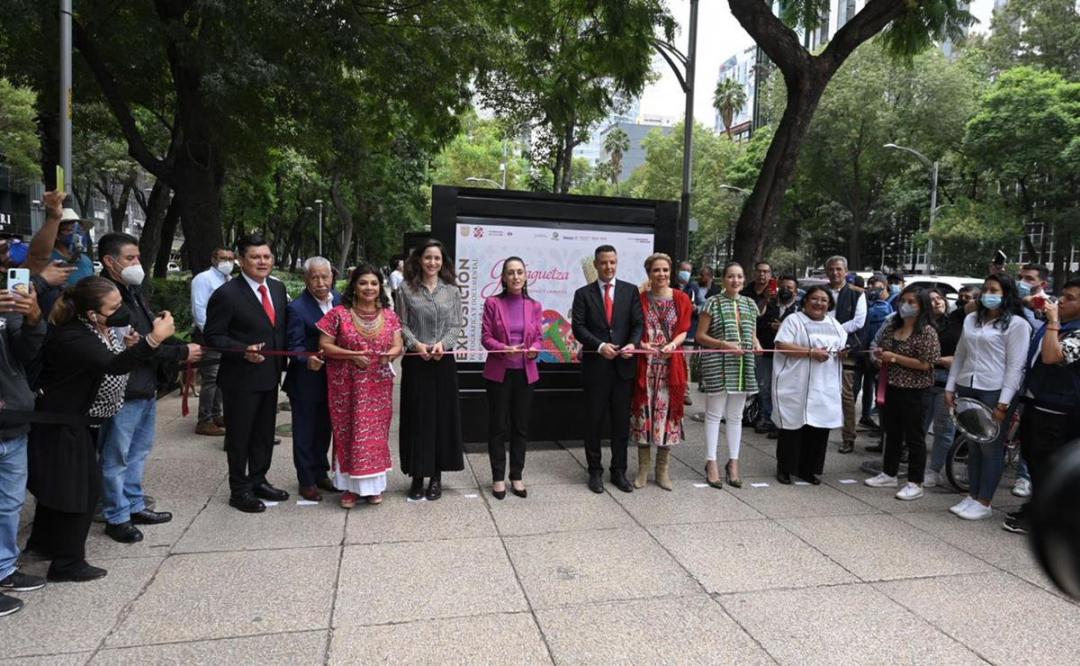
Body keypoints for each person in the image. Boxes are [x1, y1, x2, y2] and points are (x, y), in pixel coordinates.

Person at [26, 277, 175, 582]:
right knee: (79, 492)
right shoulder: (73, 337)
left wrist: (136, 345)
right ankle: (67, 562)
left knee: (62, 489)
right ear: (92, 313)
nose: (121, 311)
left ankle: (44, 545)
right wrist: (153, 340)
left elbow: (116, 357)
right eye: (114, 307)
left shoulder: (93, 330)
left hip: (76, 421)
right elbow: (113, 365)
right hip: (61, 424)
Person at [97, 233, 200, 543]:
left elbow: (152, 334)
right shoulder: (105, 297)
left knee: (138, 451)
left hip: (145, 384)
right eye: (130, 258)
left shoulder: (132, 292)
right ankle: (116, 515)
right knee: (116, 455)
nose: (137, 264)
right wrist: (181, 353)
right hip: (120, 389)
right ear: (109, 262)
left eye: (138, 257)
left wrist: (184, 346)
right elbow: (139, 345)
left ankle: (133, 503)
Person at [204, 234, 290, 513]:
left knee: (264, 433)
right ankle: (238, 489)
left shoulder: (277, 289)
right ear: (241, 260)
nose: (262, 262)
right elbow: (213, 336)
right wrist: (243, 349)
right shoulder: (227, 294)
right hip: (240, 378)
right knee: (240, 435)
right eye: (255, 257)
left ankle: (259, 479)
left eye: (266, 256)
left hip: (270, 375)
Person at [943, 274, 1030, 519]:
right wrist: (950, 387)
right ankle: (972, 495)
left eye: (994, 289)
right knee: (972, 443)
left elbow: (1015, 366)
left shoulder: (1017, 324)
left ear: (1006, 294)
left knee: (991, 448)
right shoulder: (972, 319)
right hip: (967, 385)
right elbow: (960, 355)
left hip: (995, 390)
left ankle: (985, 501)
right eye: (985, 289)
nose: (988, 294)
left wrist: (1004, 402)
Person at [318, 264, 402, 508]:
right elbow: (325, 345)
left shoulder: (389, 315)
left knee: (375, 436)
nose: (369, 288)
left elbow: (398, 345)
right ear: (353, 285)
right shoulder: (338, 314)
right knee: (349, 433)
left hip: (378, 386)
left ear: (380, 287)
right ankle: (349, 489)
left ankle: (374, 488)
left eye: (374, 283)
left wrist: (390, 354)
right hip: (346, 388)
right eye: (363, 283)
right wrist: (351, 355)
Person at [1003, 279, 1080, 535]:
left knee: (1048, 465)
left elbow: (1051, 357)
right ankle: (1039, 509)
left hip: (1059, 409)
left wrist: (1054, 322)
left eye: (1071, 298)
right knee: (1034, 459)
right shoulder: (1055, 322)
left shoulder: (1072, 330)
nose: (1062, 301)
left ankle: (1050, 519)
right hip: (1036, 402)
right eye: (1063, 295)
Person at [571, 245, 644, 494]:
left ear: (617, 262)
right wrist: (600, 345)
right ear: (596, 265)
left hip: (623, 368)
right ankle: (594, 472)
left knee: (621, 424)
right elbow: (578, 328)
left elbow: (638, 324)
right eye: (604, 263)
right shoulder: (583, 294)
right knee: (593, 422)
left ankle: (619, 471)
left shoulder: (630, 291)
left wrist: (633, 344)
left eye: (612, 262)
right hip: (596, 368)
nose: (608, 267)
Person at [396, 239, 465, 502]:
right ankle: (416, 475)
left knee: (440, 420)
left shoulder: (452, 291)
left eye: (437, 258)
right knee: (417, 418)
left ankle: (436, 475)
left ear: (443, 262)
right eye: (428, 258)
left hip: (442, 362)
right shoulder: (405, 289)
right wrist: (415, 345)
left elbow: (456, 325)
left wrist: (442, 345)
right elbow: (400, 323)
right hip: (416, 362)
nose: (432, 263)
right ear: (419, 260)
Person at [864, 286, 940, 500]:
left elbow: (926, 364)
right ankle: (889, 473)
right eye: (903, 300)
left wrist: (894, 358)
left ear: (921, 306)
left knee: (915, 437)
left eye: (911, 302)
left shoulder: (927, 331)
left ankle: (915, 482)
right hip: (891, 387)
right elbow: (880, 350)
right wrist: (880, 357)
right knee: (892, 432)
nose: (905, 305)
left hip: (915, 391)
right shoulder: (892, 326)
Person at [0, 285, 47, 616]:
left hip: (13, 419)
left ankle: (4, 569)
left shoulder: (6, 307)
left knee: (9, 504)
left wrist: (32, 318)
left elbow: (27, 353)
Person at [481, 257, 544, 499]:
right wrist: (502, 347)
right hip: (499, 373)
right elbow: (486, 337)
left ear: (526, 276)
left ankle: (516, 475)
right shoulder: (493, 303)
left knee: (521, 427)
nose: (516, 276)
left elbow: (539, 337)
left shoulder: (535, 305)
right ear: (503, 278)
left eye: (520, 272)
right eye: (511, 272)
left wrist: (535, 348)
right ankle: (498, 477)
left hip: (526, 374)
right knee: (498, 426)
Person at [772, 286, 847, 484]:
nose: (819, 303)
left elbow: (842, 347)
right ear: (805, 301)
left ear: (829, 304)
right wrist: (810, 352)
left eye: (824, 300)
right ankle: (785, 468)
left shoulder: (835, 324)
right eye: (814, 299)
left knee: (819, 428)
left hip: (824, 384)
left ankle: (808, 469)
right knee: (792, 426)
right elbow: (781, 345)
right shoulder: (793, 320)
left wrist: (843, 353)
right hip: (796, 382)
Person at [630, 253, 693, 490]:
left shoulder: (682, 298)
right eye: (656, 270)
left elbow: (685, 329)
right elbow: (634, 327)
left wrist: (673, 345)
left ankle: (662, 470)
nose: (662, 274)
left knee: (667, 417)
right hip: (646, 367)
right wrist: (642, 344)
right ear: (649, 273)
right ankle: (643, 469)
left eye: (665, 270)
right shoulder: (640, 299)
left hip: (670, 367)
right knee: (644, 416)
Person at [697, 262, 760, 489]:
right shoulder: (712, 302)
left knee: (736, 416)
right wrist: (724, 344)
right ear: (723, 280)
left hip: (743, 366)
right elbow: (701, 336)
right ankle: (711, 462)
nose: (735, 280)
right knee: (714, 415)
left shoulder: (750, 304)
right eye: (731, 276)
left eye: (740, 277)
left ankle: (733, 462)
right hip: (718, 365)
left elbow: (752, 335)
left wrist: (757, 344)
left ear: (744, 280)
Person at [284, 257, 341, 502]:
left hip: (334, 380)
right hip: (306, 380)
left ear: (332, 276)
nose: (320, 282)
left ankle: (321, 473)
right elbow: (293, 346)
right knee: (305, 432)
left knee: (324, 429)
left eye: (324, 276)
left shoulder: (341, 301)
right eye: (314, 277)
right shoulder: (297, 308)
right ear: (306, 280)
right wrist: (306, 360)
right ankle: (306, 480)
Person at [921, 287, 964, 488]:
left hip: (948, 381)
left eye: (939, 298)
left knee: (944, 429)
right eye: (931, 299)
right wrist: (938, 360)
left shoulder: (956, 321)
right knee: (918, 427)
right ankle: (917, 466)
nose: (937, 301)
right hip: (922, 380)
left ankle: (934, 470)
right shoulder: (919, 324)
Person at [190, 247, 235, 436]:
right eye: (223, 258)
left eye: (231, 259)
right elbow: (199, 308)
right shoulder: (203, 279)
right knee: (211, 378)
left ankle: (217, 414)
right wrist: (210, 335)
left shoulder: (229, 280)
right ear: (213, 259)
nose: (227, 262)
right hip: (209, 336)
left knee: (221, 377)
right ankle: (204, 419)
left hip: (226, 337)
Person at [824, 256, 866, 454]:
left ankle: (848, 436)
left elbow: (858, 322)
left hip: (845, 349)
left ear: (846, 272)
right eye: (831, 269)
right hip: (820, 348)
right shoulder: (820, 293)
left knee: (846, 395)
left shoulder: (858, 294)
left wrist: (833, 330)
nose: (835, 273)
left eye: (839, 269)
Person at [854, 275, 892, 432]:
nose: (872, 289)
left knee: (874, 387)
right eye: (870, 286)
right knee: (855, 386)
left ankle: (869, 416)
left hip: (876, 354)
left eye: (876, 286)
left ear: (885, 286)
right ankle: (849, 415)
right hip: (860, 351)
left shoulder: (888, 307)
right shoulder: (865, 302)